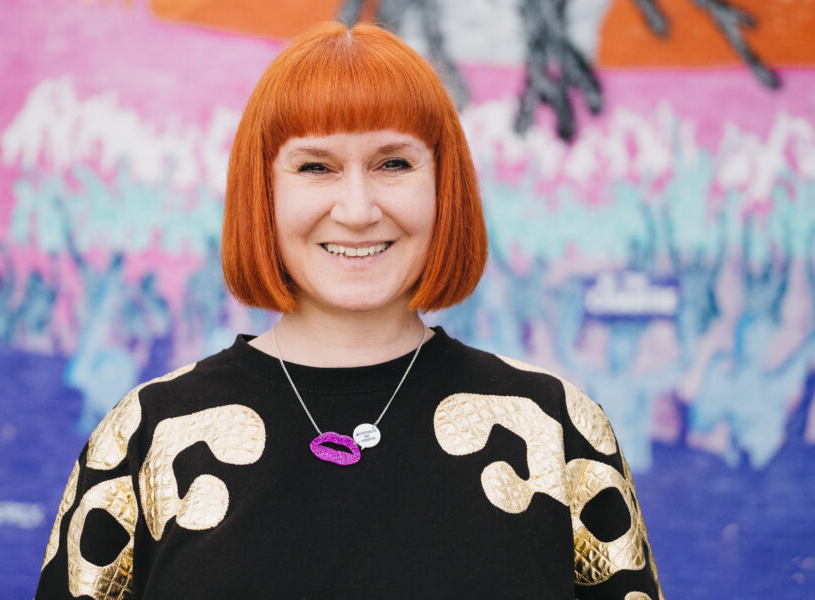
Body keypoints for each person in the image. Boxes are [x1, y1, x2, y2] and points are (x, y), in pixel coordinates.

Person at [35, 22, 664, 599]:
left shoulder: (556, 427)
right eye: (316, 167)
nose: (358, 209)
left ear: (445, 186)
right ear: (264, 192)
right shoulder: (146, 437)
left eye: (394, 163)